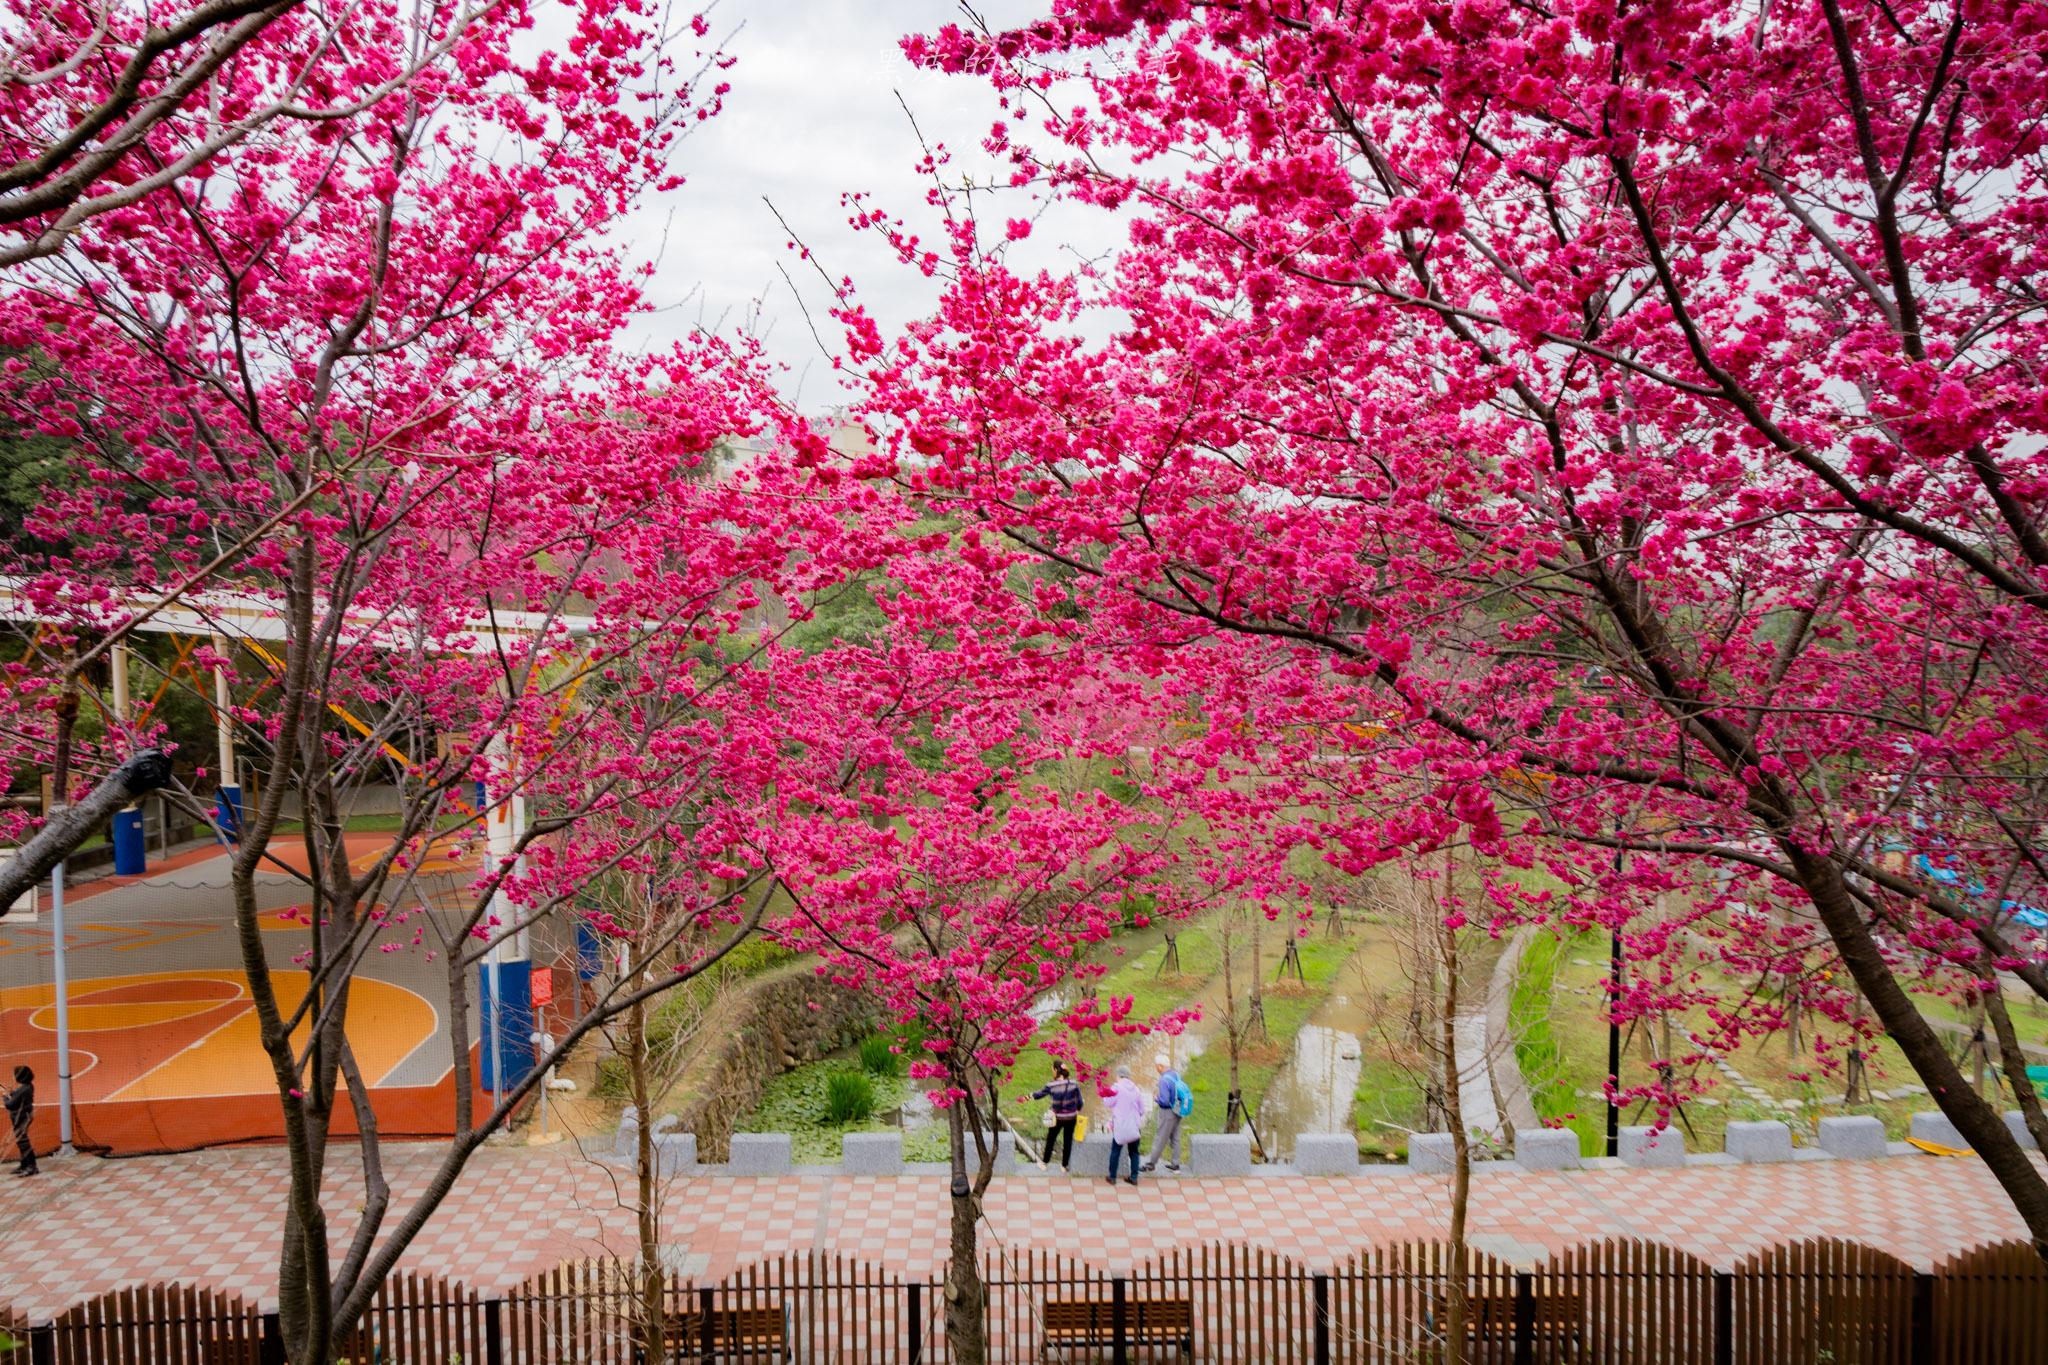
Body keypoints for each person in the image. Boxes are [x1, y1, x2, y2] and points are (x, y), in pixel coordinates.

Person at [1030, 1061, 1085, 1170]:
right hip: (1071, 1117)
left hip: (1057, 1118)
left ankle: (1045, 1163)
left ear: (1055, 1070)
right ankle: (1064, 1166)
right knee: (1068, 1140)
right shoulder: (1074, 1083)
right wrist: (1077, 1110)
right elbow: (1080, 1102)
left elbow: (1040, 1094)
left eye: (1052, 1070)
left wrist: (1029, 1096)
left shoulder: (1051, 1085)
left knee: (1051, 1139)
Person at [1143, 1053, 1188, 1172]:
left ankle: (1151, 1163)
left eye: (1156, 1066)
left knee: (1160, 1138)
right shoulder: (1176, 1074)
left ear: (1160, 1066)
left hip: (1168, 1113)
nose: (1156, 1068)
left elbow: (1165, 1100)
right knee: (1176, 1137)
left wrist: (1156, 1098)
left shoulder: (1164, 1079)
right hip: (1178, 1110)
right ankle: (1175, 1164)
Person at [1105, 1064, 1146, 1185]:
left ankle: (1112, 1177)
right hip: (1134, 1126)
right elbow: (1142, 1110)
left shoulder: (1116, 1088)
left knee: (1115, 1151)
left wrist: (1105, 1094)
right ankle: (1134, 1178)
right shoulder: (1136, 1089)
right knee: (1134, 1152)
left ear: (1118, 1075)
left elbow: (1108, 1103)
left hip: (1120, 1125)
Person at [5, 1064, 34, 1177]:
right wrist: (11, 1093)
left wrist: (5, 1097)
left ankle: (31, 1166)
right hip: (25, 1116)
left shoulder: (23, 1090)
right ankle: (24, 1164)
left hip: (20, 1117)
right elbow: (18, 1096)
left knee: (23, 1142)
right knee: (21, 1140)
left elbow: (10, 1105)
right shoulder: (27, 1086)